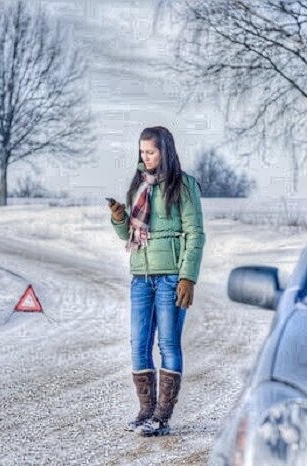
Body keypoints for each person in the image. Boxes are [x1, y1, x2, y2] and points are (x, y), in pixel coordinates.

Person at [108, 126, 205, 437]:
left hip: (169, 277)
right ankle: (146, 410)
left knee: (168, 344)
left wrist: (187, 277)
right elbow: (129, 235)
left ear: (165, 151)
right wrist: (119, 218)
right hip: (141, 276)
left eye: (150, 151)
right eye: (141, 152)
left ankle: (163, 416)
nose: (145, 157)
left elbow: (196, 235)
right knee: (139, 344)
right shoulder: (139, 185)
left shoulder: (184, 186)